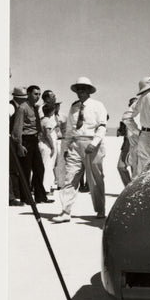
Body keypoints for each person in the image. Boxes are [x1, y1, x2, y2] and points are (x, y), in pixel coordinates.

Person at [52, 77, 107, 223]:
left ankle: (101, 210)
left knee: (95, 179)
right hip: (75, 145)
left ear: (89, 90)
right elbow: (70, 129)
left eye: (84, 88)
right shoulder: (74, 107)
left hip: (92, 144)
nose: (80, 91)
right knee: (70, 177)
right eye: (78, 89)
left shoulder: (98, 105)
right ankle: (65, 211)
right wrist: (66, 146)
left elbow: (102, 126)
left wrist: (94, 143)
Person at [11, 85, 53, 205]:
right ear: (28, 94)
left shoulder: (34, 107)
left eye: (39, 94)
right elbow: (17, 128)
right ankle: (26, 198)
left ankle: (40, 197)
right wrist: (19, 145)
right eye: (35, 94)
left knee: (39, 168)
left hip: (34, 141)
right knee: (25, 170)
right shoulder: (22, 108)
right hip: (25, 140)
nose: (38, 96)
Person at [9, 86, 28, 206]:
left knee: (15, 168)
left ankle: (16, 194)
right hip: (10, 140)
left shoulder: (19, 107)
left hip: (14, 140)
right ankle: (11, 197)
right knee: (10, 169)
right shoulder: (11, 107)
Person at [116, 96, 138, 186]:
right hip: (126, 146)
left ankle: (134, 190)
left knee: (135, 171)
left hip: (136, 145)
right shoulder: (126, 118)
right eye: (131, 104)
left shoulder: (140, 118)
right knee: (120, 167)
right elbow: (120, 133)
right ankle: (128, 187)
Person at [38, 104, 58, 193]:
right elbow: (47, 134)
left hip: (40, 144)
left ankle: (40, 187)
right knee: (47, 167)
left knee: (42, 166)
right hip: (46, 145)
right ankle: (45, 188)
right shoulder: (48, 121)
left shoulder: (41, 120)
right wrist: (52, 147)